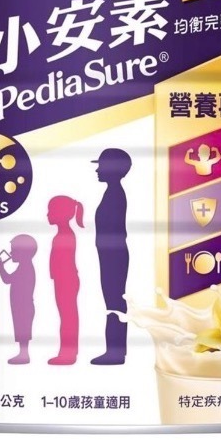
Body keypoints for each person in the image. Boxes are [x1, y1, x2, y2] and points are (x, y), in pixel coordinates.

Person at [91, 148, 132, 365]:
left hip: (113, 256)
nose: (97, 170)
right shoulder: (113, 192)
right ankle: (117, 350)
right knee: (114, 302)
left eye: (101, 166)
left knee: (114, 303)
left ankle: (114, 353)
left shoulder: (115, 194)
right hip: (110, 254)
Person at [47, 195, 84, 365]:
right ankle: (68, 352)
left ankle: (68, 354)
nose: (47, 214)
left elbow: (63, 262)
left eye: (50, 211)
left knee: (68, 318)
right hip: (64, 280)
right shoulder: (64, 234)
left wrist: (58, 277)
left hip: (65, 280)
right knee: (67, 317)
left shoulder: (65, 235)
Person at [0, 234, 37, 364]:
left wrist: (1, 268)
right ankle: (23, 354)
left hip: (24, 306)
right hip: (22, 306)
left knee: (23, 331)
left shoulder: (25, 268)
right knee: (21, 330)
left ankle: (24, 355)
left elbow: (7, 279)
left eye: (14, 250)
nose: (11, 253)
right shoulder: (24, 266)